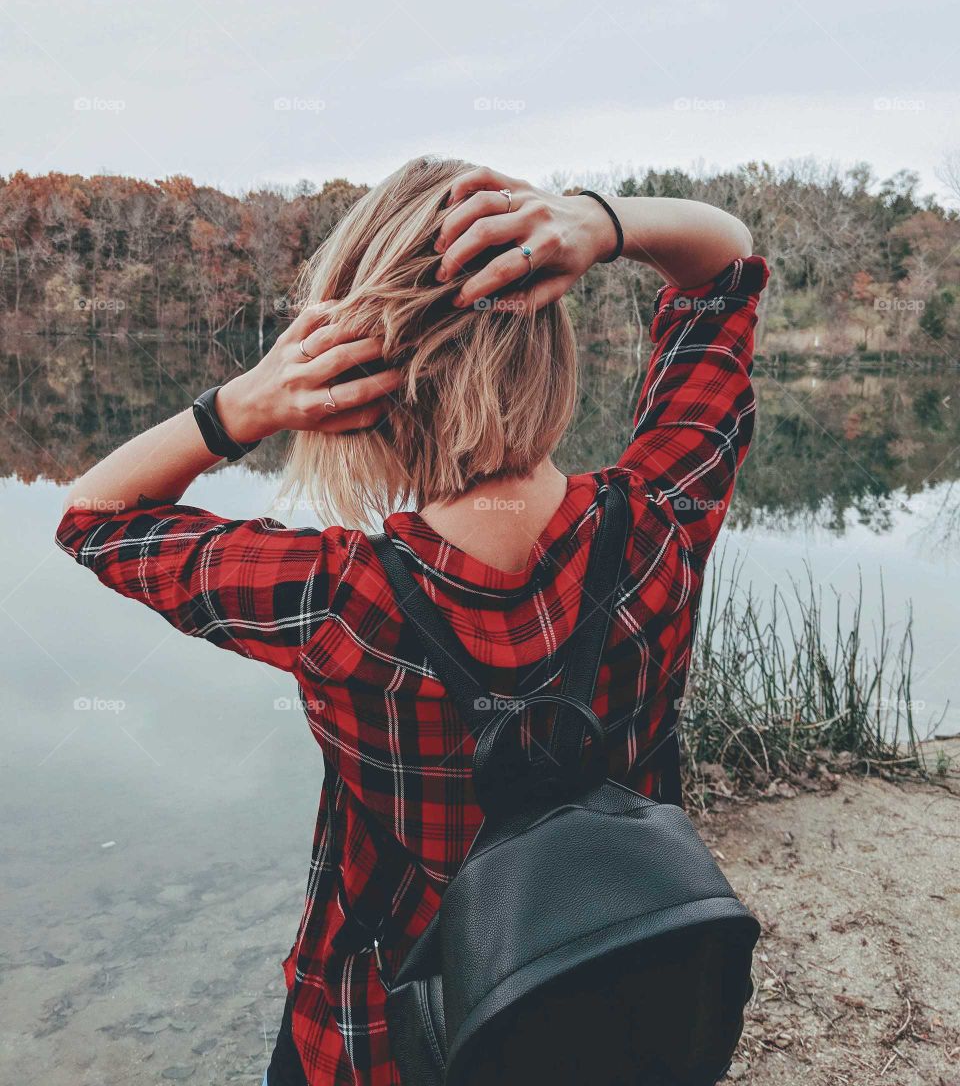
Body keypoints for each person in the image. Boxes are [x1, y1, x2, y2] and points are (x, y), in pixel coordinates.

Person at [56, 157, 768, 1086]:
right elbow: (725, 272)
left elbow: (93, 519)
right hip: (612, 1002)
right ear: (547, 340)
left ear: (352, 381)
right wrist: (601, 223)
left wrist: (240, 409)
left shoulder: (334, 598)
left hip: (380, 1039)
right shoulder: (658, 528)